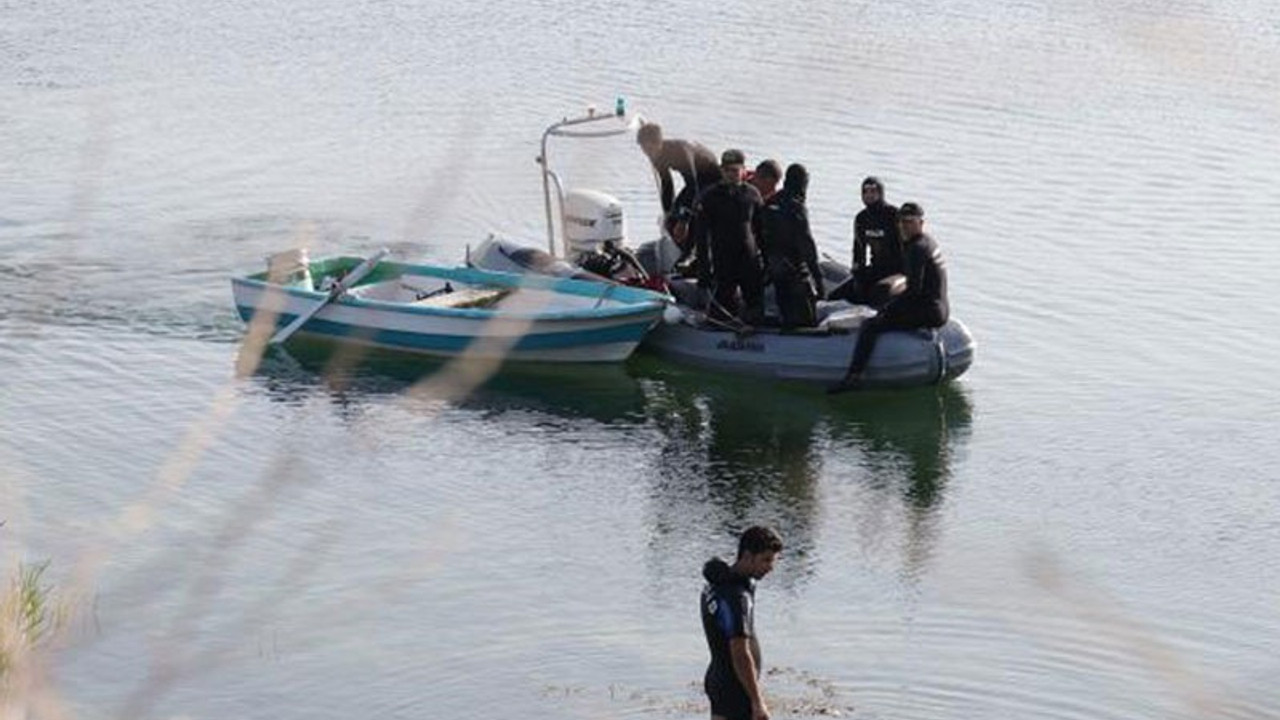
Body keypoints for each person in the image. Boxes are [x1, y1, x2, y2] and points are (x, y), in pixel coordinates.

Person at [830, 202, 949, 392]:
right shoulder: (928, 242)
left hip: (928, 312)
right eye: (901, 222)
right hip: (938, 307)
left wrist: (887, 310)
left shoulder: (916, 249)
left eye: (910, 222)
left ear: (921, 223)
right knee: (886, 308)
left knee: (870, 325)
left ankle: (854, 376)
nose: (904, 226)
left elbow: (913, 292)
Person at [701, 525, 784, 720]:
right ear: (747, 556)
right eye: (766, 560)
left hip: (719, 679)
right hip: (735, 687)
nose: (770, 567)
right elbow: (739, 651)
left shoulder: (718, 582)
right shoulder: (737, 597)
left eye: (773, 561)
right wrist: (757, 701)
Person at [690, 149, 766, 323]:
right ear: (721, 170)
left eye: (735, 170)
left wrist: (766, 260)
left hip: (749, 258)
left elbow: (761, 231)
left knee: (755, 302)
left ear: (743, 170)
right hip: (723, 259)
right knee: (723, 305)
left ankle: (755, 329)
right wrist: (704, 270)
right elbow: (701, 238)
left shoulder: (752, 194)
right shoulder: (709, 197)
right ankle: (723, 329)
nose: (731, 174)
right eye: (727, 170)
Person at [636, 122, 723, 250]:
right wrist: (667, 212)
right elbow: (667, 185)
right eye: (644, 149)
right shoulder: (655, 156)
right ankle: (679, 246)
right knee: (673, 214)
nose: (647, 153)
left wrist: (683, 221)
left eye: (650, 149)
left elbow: (693, 187)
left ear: (659, 143)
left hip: (712, 178)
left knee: (691, 215)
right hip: (695, 181)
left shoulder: (679, 152)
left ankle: (691, 251)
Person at [757, 163, 823, 329]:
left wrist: (766, 264)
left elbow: (760, 236)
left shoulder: (769, 202)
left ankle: (781, 326)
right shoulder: (796, 207)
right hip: (795, 269)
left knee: (784, 306)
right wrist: (818, 278)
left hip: (775, 265)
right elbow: (806, 243)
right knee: (807, 318)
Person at [831, 177, 903, 305]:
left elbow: (907, 246)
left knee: (880, 292)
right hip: (876, 268)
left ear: (880, 193)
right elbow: (859, 250)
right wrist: (858, 274)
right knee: (834, 296)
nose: (869, 195)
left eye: (873, 191)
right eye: (865, 191)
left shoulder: (893, 215)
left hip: (897, 271)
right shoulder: (861, 218)